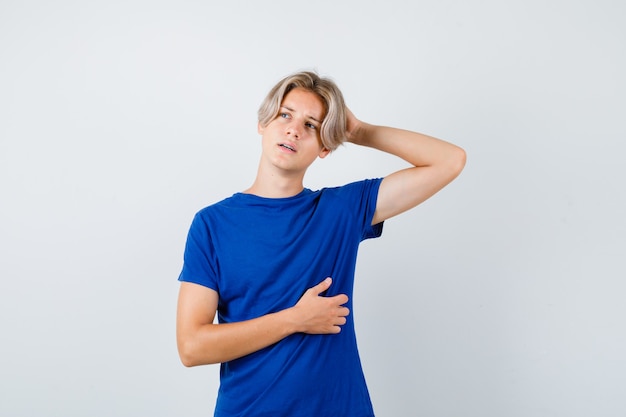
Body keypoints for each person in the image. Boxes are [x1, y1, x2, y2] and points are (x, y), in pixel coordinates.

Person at [176, 71, 466, 417]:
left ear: (325, 146)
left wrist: (359, 131)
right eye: (285, 114)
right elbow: (192, 347)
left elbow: (450, 161)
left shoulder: (341, 210)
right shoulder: (212, 224)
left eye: (311, 125)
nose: (294, 129)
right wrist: (295, 319)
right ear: (263, 123)